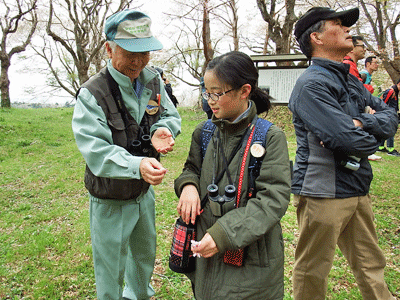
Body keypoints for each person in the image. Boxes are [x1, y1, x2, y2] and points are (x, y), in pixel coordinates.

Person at [71, 10, 181, 300]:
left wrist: (164, 130)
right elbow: (96, 151)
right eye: (129, 52)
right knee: (110, 272)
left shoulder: (153, 80)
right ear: (108, 48)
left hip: (143, 194)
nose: (138, 61)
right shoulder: (92, 93)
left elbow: (170, 115)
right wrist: (138, 164)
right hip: (110, 199)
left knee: (143, 262)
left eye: (145, 52)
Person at [290, 6, 397, 300]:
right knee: (313, 271)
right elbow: (351, 141)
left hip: (357, 187)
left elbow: (390, 117)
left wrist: (362, 122)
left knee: (370, 264)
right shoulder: (311, 85)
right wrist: (367, 136)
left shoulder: (348, 79)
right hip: (322, 192)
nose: (348, 29)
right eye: (338, 24)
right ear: (317, 37)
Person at [174, 51, 291, 299]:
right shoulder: (204, 132)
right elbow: (191, 169)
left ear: (244, 91)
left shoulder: (270, 138)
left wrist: (224, 234)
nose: (210, 101)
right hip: (206, 251)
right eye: (207, 93)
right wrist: (188, 186)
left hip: (252, 257)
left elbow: (272, 200)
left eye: (217, 93)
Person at [344, 40, 381, 161]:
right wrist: (368, 89)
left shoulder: (355, 67)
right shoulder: (350, 66)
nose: (364, 49)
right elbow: (354, 88)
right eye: (362, 46)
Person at [378, 78, 400, 156]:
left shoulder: (396, 91)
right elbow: (383, 103)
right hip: (388, 115)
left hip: (391, 114)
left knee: (386, 130)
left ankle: (380, 147)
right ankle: (391, 149)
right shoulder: (391, 91)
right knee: (391, 130)